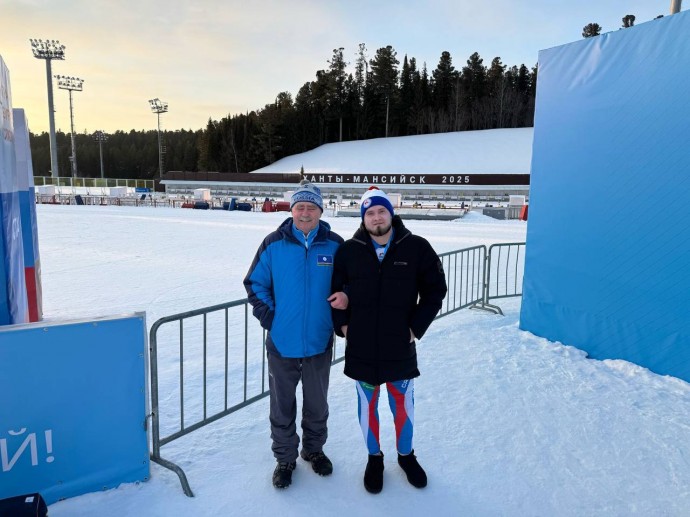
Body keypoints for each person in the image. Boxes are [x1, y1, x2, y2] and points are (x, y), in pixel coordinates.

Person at [331, 186, 447, 494]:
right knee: (367, 408)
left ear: (391, 213)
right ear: (363, 218)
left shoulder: (417, 247)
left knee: (402, 406)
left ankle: (406, 456)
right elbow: (333, 292)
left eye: (382, 211)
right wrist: (343, 327)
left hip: (399, 347)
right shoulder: (349, 250)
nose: (377, 217)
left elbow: (436, 290)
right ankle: (374, 458)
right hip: (362, 348)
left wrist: (415, 328)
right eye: (370, 213)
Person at [244, 180, 347, 489]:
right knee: (282, 404)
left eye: (311, 207)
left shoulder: (335, 245)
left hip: (318, 340)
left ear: (320, 210)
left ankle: (313, 450)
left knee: (317, 402)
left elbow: (349, 284)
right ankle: (285, 458)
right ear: (292, 210)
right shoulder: (273, 243)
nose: (305, 213)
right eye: (300, 207)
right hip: (282, 341)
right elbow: (254, 284)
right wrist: (272, 319)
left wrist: (343, 303)